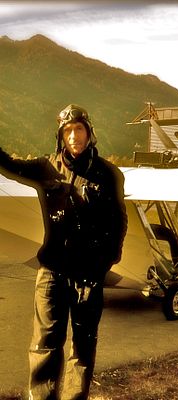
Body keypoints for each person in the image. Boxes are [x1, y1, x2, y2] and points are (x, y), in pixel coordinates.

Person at [0, 104, 127, 399]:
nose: (73, 136)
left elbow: (118, 222)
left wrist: (103, 264)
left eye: (78, 129)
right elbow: (9, 165)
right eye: (67, 131)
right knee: (44, 344)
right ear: (60, 136)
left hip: (88, 276)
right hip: (52, 272)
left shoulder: (108, 174)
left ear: (89, 133)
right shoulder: (45, 168)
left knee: (82, 349)